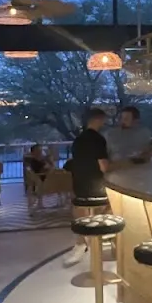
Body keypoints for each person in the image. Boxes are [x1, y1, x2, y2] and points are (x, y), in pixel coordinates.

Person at [63, 108, 111, 266]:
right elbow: (103, 166)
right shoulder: (98, 139)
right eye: (103, 120)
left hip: (79, 186)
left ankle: (82, 242)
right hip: (97, 187)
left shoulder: (78, 140)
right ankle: (99, 236)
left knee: (80, 211)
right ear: (98, 120)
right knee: (117, 202)